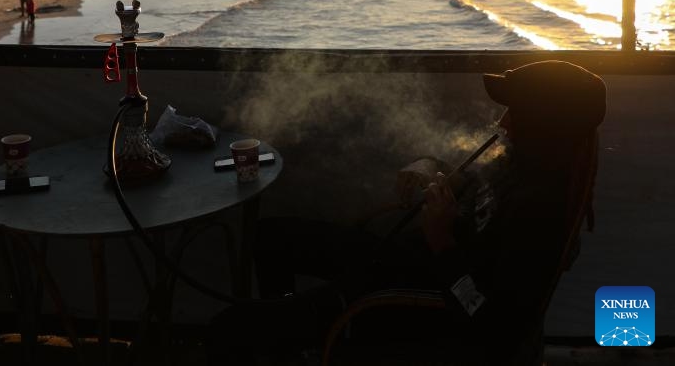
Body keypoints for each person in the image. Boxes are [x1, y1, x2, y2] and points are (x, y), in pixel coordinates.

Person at [209, 60, 605, 364]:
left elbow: (492, 326)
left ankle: (301, 334)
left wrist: (442, 242)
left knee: (229, 330)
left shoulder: (537, 214)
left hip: (406, 302)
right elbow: (465, 181)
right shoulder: (519, 162)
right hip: (398, 260)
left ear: (545, 124)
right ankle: (292, 344)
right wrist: (430, 169)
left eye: (515, 112)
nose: (502, 122)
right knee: (272, 237)